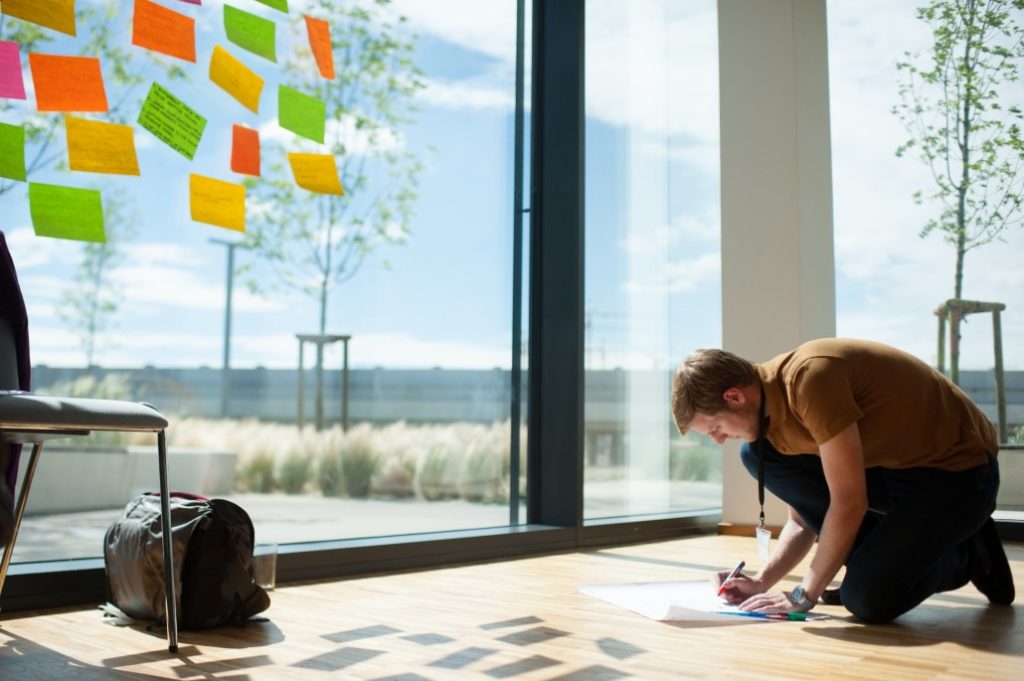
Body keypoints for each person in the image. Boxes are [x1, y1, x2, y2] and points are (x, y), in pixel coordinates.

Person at [670, 338, 1015, 623]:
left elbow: (849, 501)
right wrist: (762, 582)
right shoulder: (770, 423)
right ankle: (900, 555)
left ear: (734, 396)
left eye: (715, 428)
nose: (718, 439)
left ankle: (972, 552)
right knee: (755, 454)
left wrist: (804, 594)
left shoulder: (810, 379)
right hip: (891, 469)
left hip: (957, 470)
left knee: (868, 600)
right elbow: (803, 517)